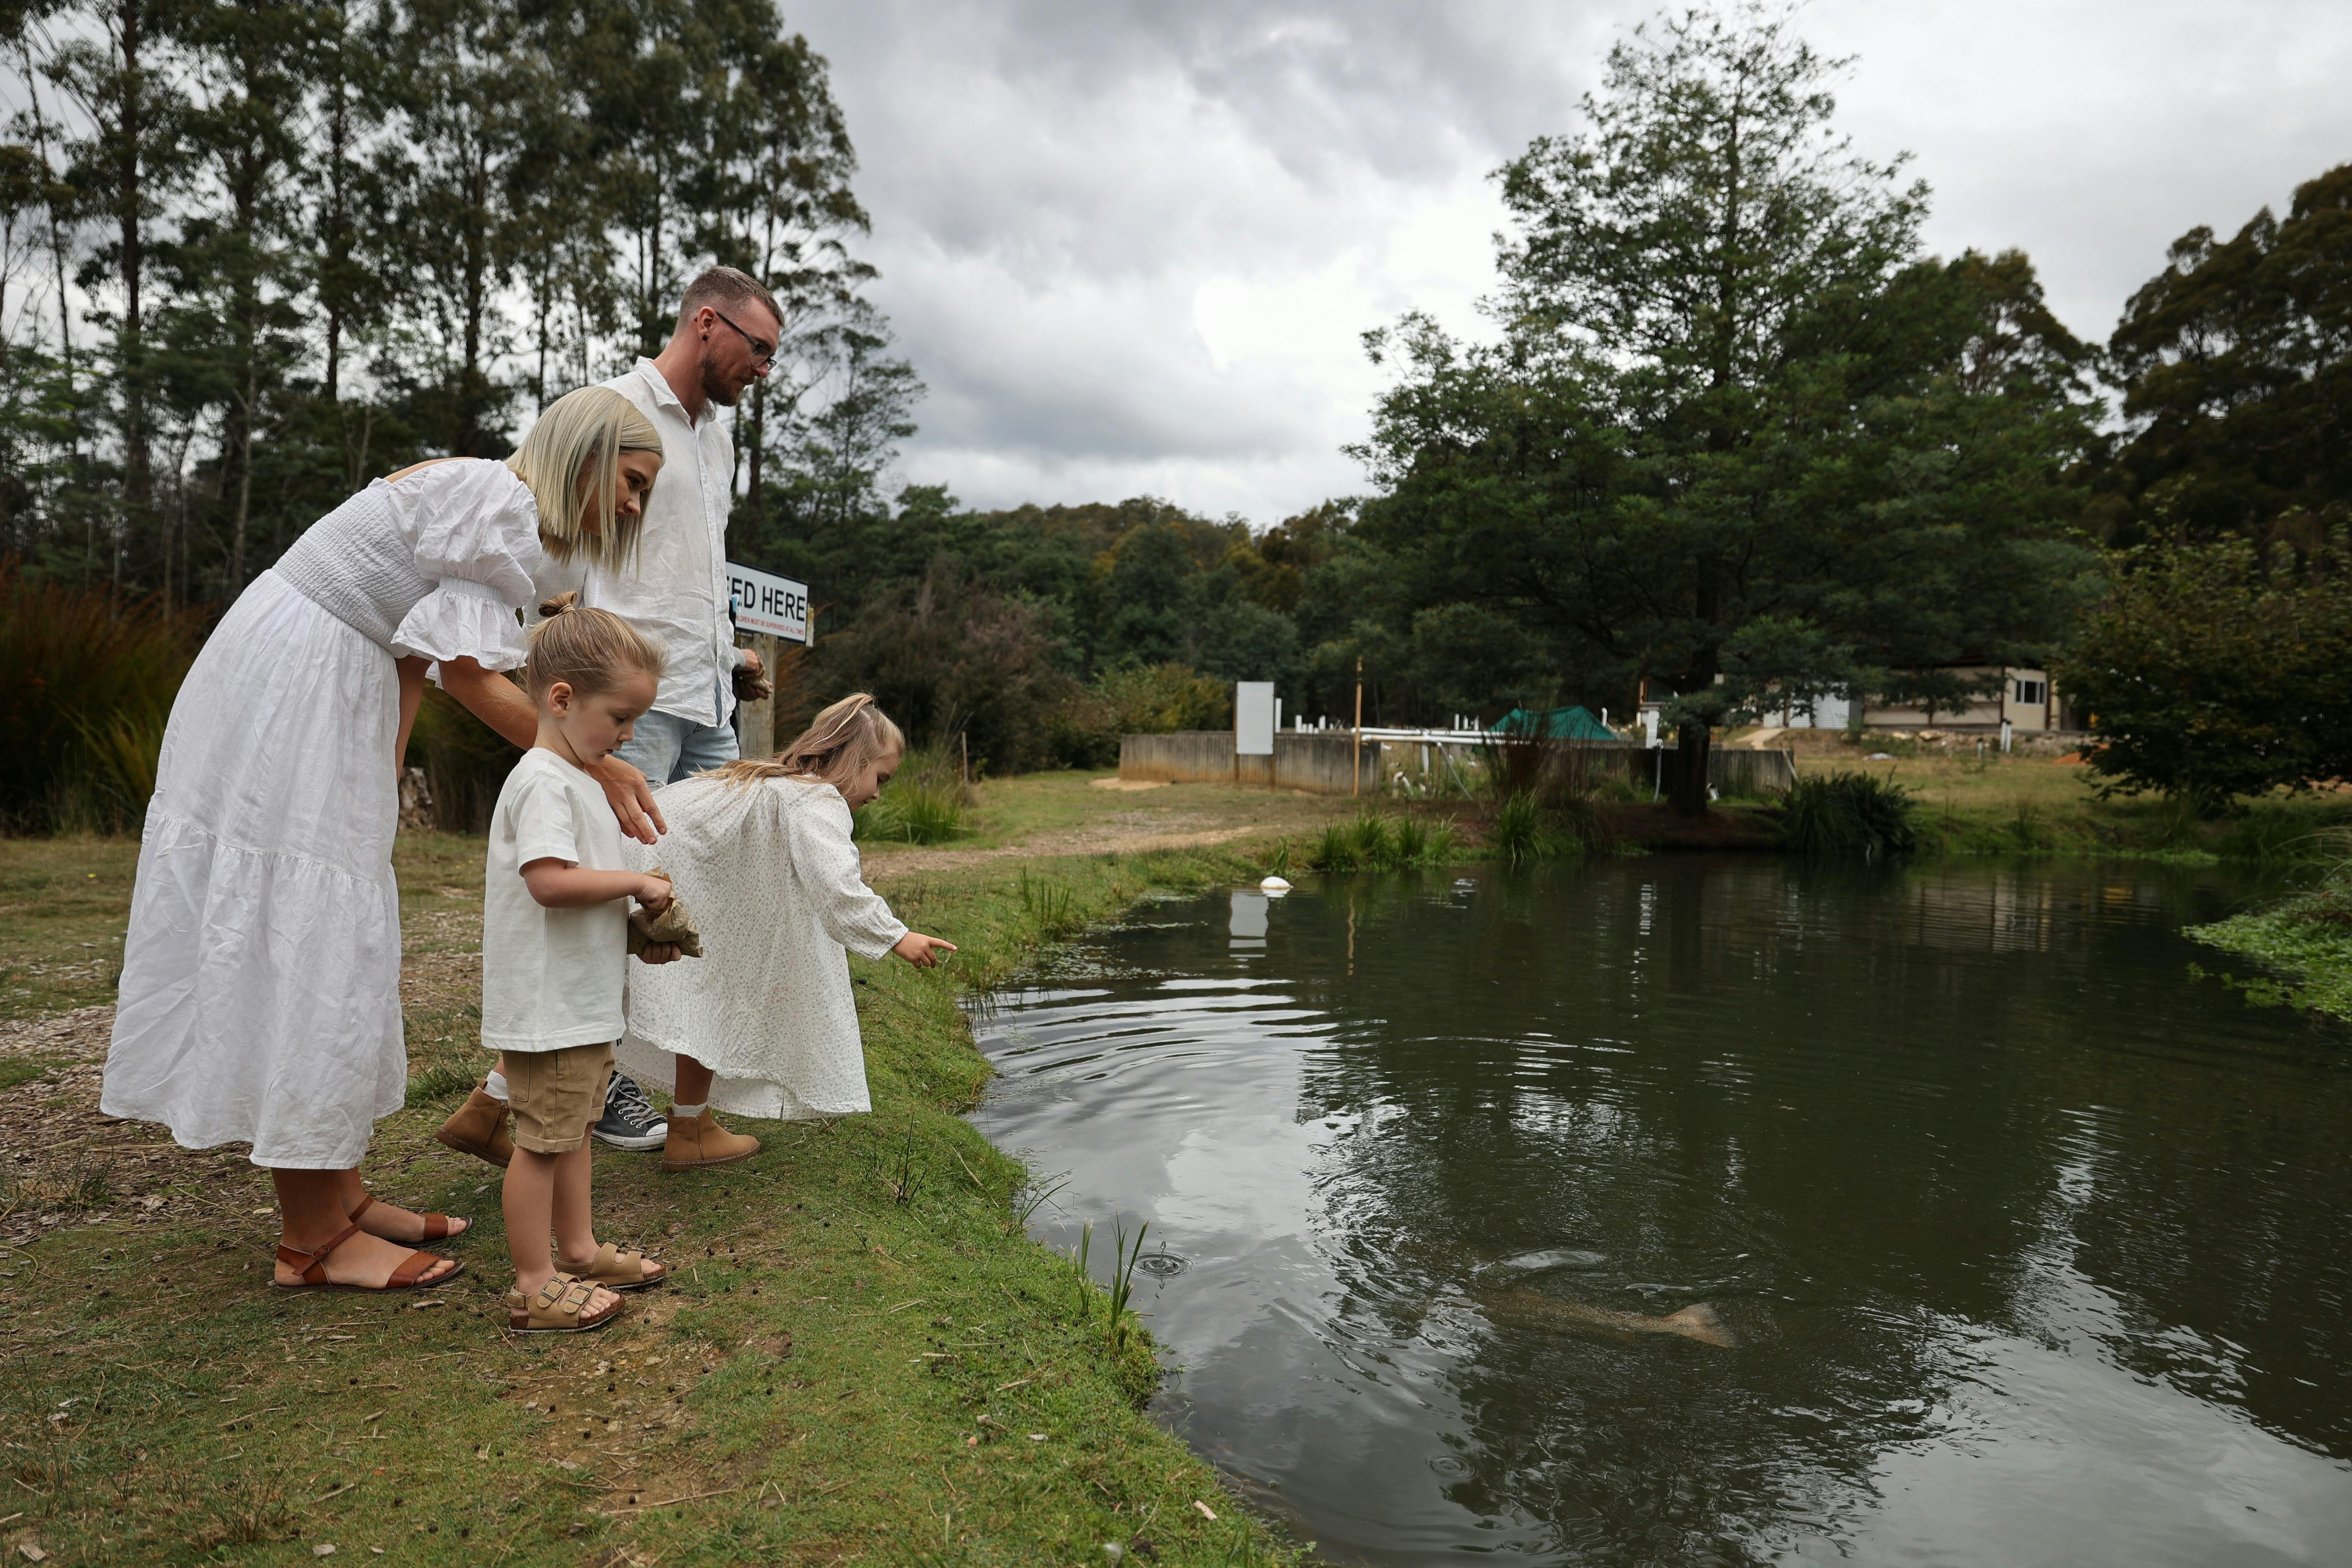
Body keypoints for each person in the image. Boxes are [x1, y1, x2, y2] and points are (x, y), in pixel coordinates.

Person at [101, 386, 665, 1293]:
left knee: (340, 913)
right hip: (301, 674)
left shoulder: (488, 506)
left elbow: (413, 650)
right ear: (585, 456)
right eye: (633, 481)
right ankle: (312, 1238)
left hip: (331, 667)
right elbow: (470, 677)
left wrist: (383, 774)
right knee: (311, 929)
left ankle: (343, 1195)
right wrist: (597, 764)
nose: (635, 505)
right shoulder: (502, 503)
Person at [536, 265, 782, 1154]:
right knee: (605, 894)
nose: (763, 370)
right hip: (628, 705)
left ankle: (691, 1118)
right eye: (758, 350)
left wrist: (729, 653)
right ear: (707, 323)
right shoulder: (611, 410)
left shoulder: (718, 440)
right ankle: (584, 1083)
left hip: (710, 704)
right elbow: (562, 557)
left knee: (716, 895)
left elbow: (692, 566)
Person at [615, 694, 956, 1158]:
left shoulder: (776, 783)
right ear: (856, 760)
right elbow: (837, 886)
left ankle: (690, 1127)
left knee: (706, 990)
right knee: (630, 997)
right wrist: (896, 936)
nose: (878, 794)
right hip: (645, 871)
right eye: (881, 778)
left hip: (643, 860)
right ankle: (526, 1109)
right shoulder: (817, 798)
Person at [484, 596, 677, 1332]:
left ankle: (579, 1249)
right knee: (542, 1144)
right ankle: (534, 1284)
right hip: (549, 1005)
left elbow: (576, 896)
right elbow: (549, 883)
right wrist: (636, 883)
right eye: (620, 718)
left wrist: (634, 931)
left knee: (576, 1131)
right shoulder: (543, 780)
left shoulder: (580, 779)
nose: (628, 736)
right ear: (562, 699)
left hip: (581, 1002)